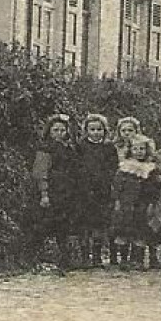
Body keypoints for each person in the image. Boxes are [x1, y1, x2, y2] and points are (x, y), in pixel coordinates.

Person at [30, 113, 81, 272]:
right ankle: (34, 258)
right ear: (49, 132)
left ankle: (65, 260)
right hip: (52, 191)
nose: (59, 134)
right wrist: (44, 193)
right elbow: (40, 172)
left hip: (68, 192)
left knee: (64, 226)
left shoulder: (69, 149)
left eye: (62, 130)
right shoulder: (45, 149)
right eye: (55, 130)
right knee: (45, 225)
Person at [110, 134, 159, 270]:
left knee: (140, 231)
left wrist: (151, 204)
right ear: (130, 150)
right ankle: (124, 260)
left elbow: (154, 189)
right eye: (135, 149)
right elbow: (117, 186)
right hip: (126, 204)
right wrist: (117, 201)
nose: (139, 152)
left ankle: (137, 259)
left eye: (142, 149)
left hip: (142, 205)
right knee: (124, 231)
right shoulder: (124, 167)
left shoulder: (150, 169)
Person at [77, 113, 119, 268]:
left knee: (100, 224)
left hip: (103, 190)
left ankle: (97, 256)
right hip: (84, 190)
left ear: (104, 130)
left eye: (99, 129)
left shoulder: (108, 147)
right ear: (86, 130)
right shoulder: (81, 146)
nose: (96, 133)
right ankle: (84, 256)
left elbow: (113, 167)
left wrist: (106, 181)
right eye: (92, 129)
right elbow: (77, 166)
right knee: (84, 224)